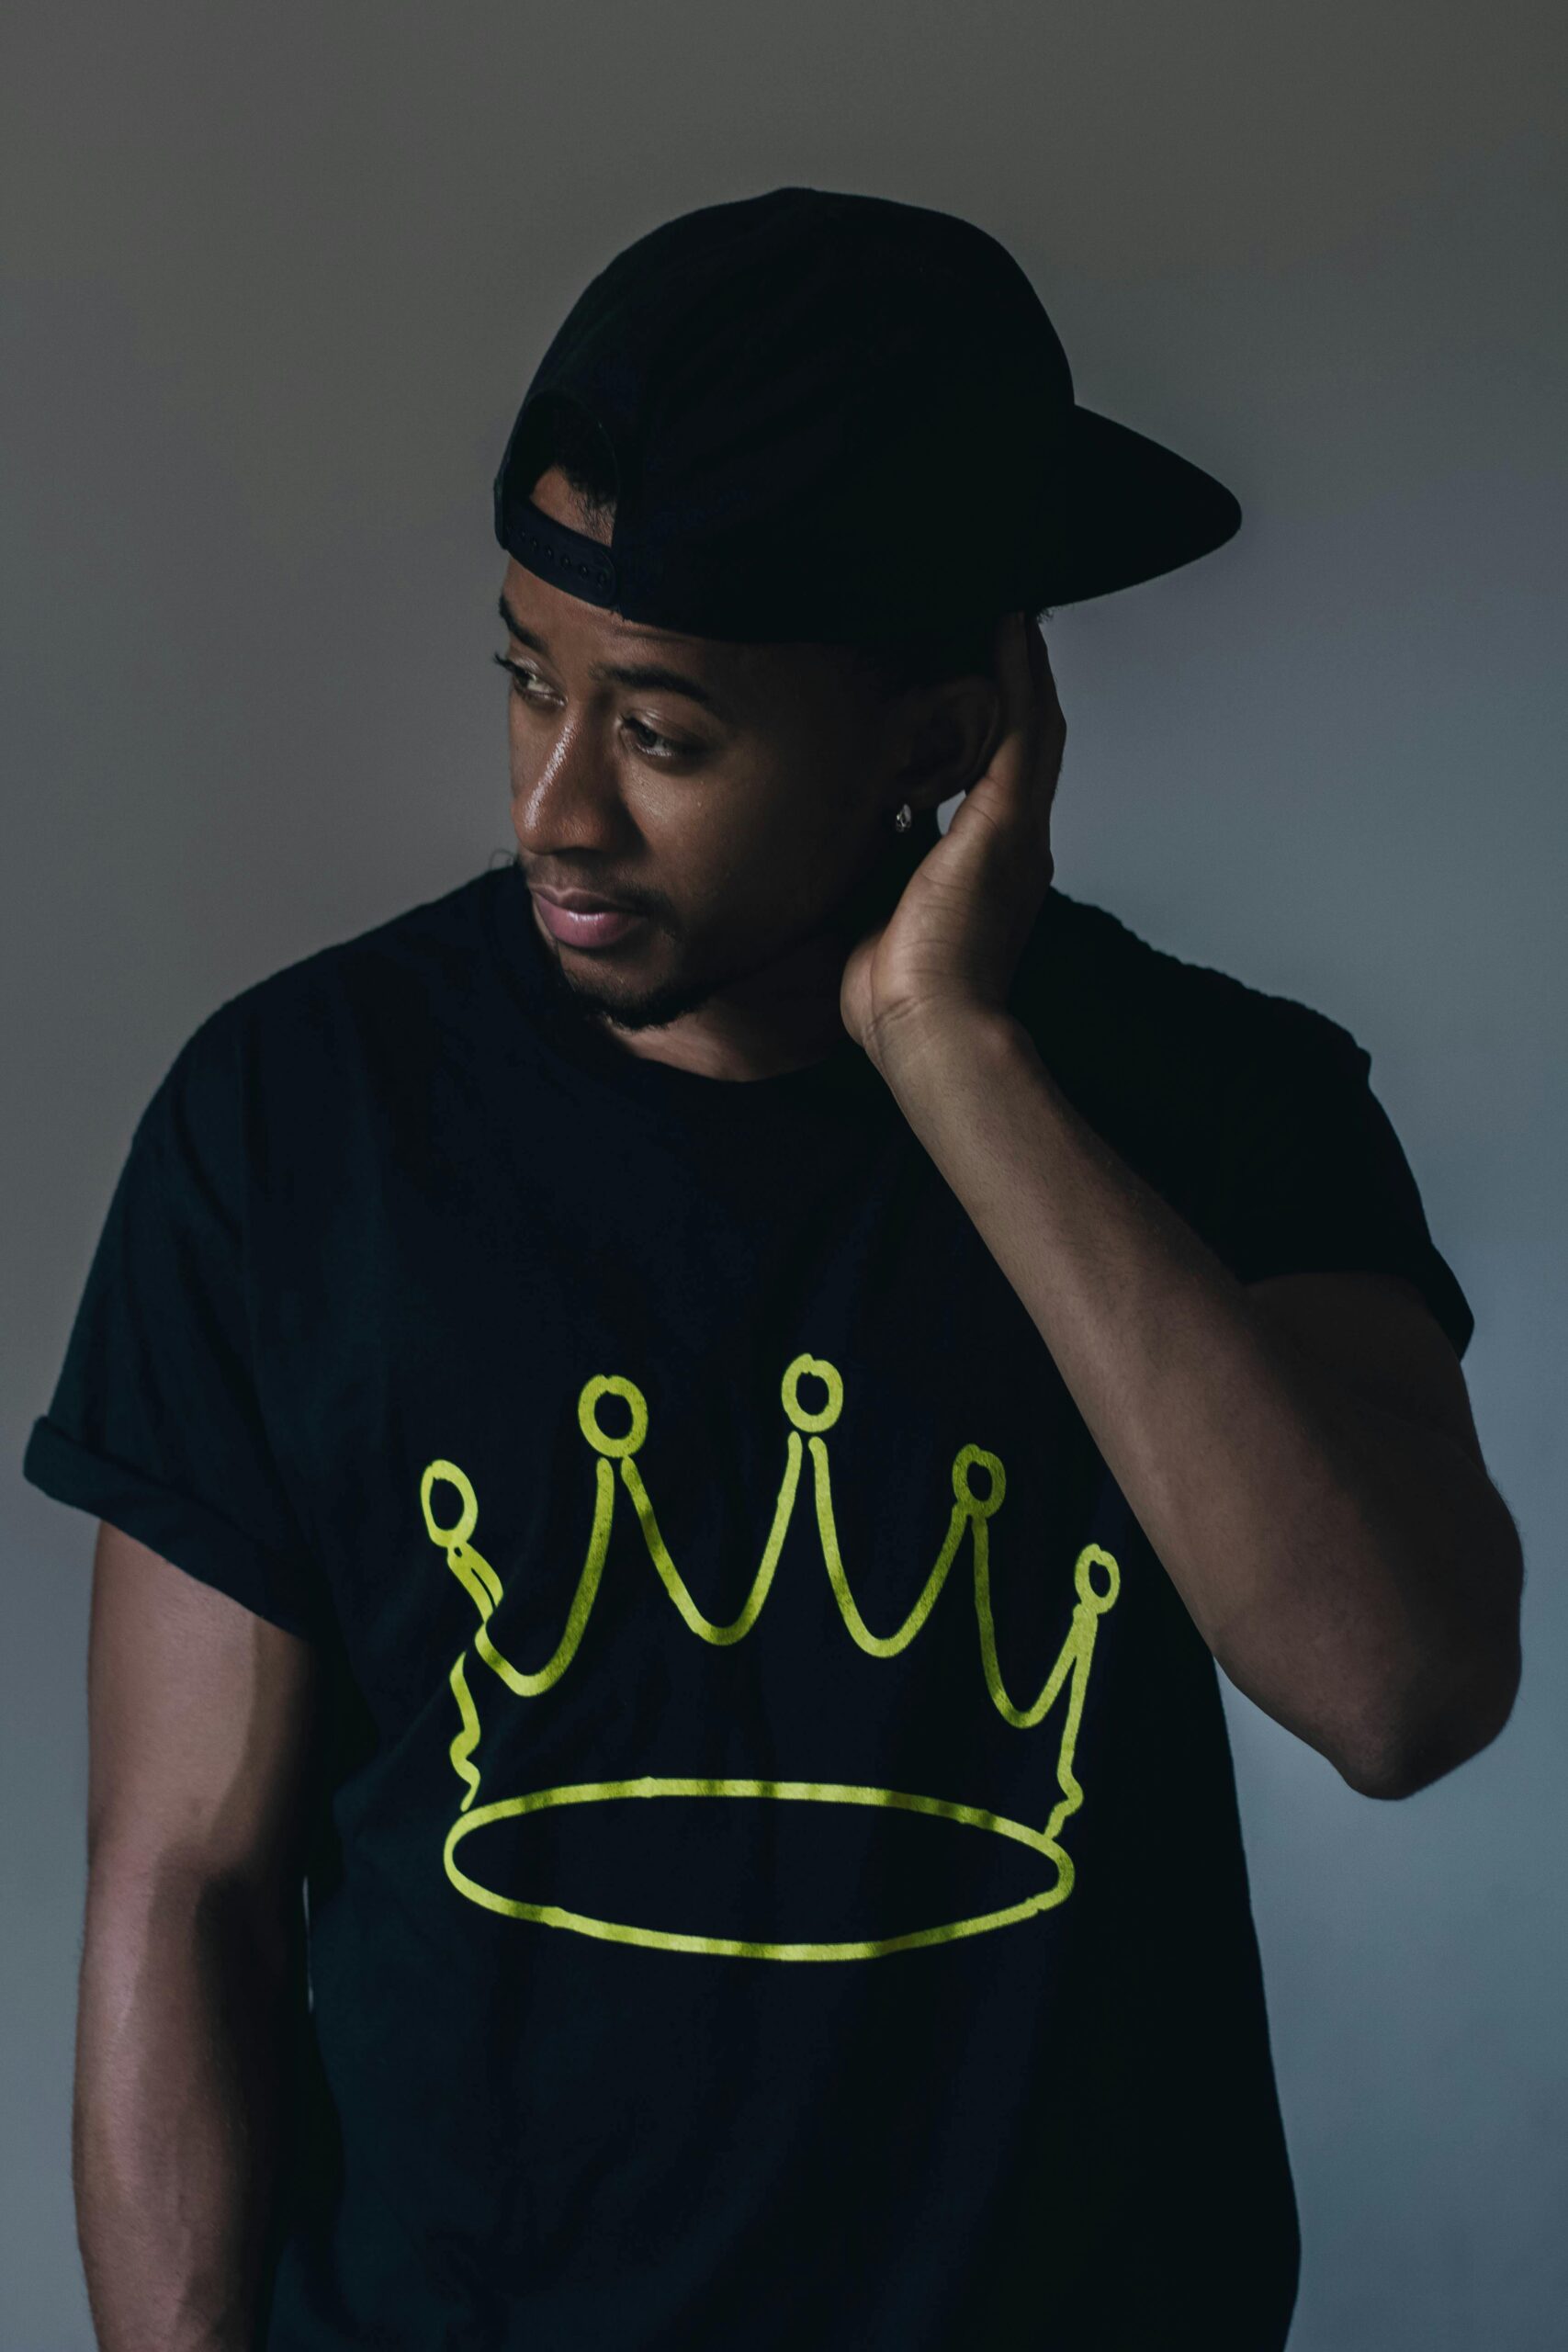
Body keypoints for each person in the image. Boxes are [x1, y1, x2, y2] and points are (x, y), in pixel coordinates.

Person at [24, 187, 1522, 2352]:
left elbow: (1399, 1687)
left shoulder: (1216, 1110)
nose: (555, 809)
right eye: (526, 680)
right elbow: (184, 1880)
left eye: (661, 732)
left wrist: (951, 1054)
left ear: (936, 738)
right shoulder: (292, 1128)